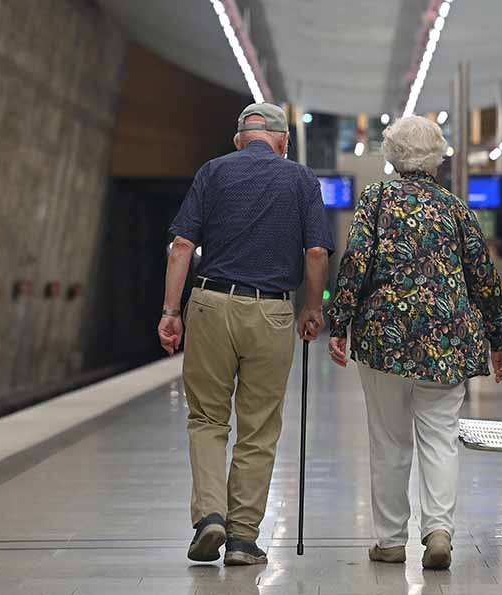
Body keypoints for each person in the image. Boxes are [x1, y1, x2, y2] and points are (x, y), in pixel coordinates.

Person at [326, 116, 502, 570]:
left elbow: (355, 264)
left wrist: (339, 323)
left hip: (384, 339)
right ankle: (438, 532)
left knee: (388, 440)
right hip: (447, 340)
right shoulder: (455, 208)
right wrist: (499, 340)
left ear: (391, 155)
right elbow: (483, 279)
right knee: (440, 438)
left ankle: (391, 540)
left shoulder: (375, 200)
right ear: (438, 156)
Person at [158, 103, 333, 566]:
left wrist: (170, 311)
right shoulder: (300, 179)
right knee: (258, 428)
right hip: (272, 311)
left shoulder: (212, 172)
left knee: (208, 420)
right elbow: (316, 251)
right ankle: (241, 540)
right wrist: (313, 308)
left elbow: (181, 246)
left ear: (240, 140)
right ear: (282, 141)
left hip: (211, 305)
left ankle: (210, 516)